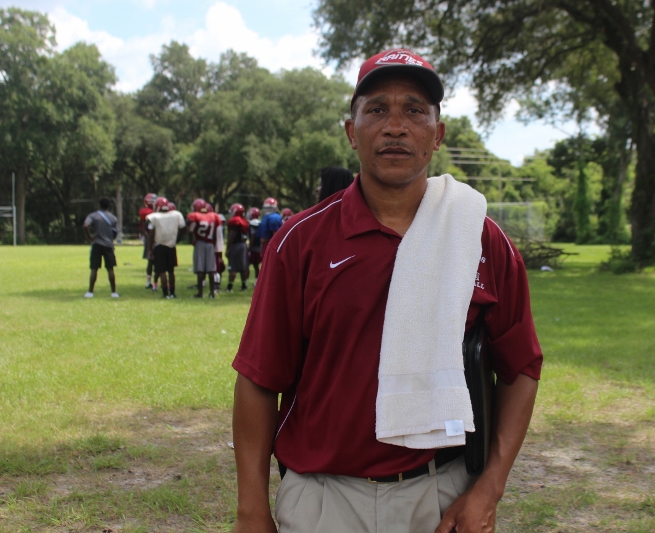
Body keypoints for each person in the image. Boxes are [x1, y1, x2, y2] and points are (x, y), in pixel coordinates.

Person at [231, 48, 542, 533]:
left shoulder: (478, 237)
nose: (395, 126)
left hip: (439, 494)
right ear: (352, 132)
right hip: (324, 499)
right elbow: (258, 378)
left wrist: (489, 487)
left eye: (414, 110)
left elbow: (521, 367)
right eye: (376, 109)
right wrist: (252, 510)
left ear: (437, 134)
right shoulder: (301, 241)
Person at [146, 196, 185, 299]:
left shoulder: (154, 217)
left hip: (159, 246)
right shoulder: (176, 215)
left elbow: (151, 235)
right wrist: (177, 239)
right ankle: (172, 293)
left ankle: (165, 293)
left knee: (162, 271)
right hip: (171, 245)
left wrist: (150, 249)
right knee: (171, 271)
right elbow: (183, 228)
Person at [83, 197, 119, 299]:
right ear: (108, 206)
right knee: (110, 268)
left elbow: (85, 225)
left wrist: (90, 237)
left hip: (96, 244)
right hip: (108, 245)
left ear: (99, 205)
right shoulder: (113, 218)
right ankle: (113, 292)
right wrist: (110, 239)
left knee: (94, 268)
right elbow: (115, 232)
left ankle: (90, 292)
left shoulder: (93, 216)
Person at [187, 198, 221, 299]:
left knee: (200, 269)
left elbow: (190, 230)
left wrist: (191, 240)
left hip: (200, 242)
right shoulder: (214, 216)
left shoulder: (195, 216)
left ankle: (200, 293)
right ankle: (212, 293)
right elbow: (215, 232)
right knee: (211, 270)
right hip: (210, 243)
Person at [226, 203, 250, 292]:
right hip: (243, 245)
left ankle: (229, 287)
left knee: (233, 267)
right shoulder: (244, 220)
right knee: (243, 267)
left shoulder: (235, 221)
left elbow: (232, 236)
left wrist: (228, 248)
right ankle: (244, 286)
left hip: (235, 245)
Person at [139, 193, 157, 289]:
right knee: (152, 260)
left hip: (153, 237)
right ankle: (151, 282)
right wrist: (148, 237)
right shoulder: (148, 212)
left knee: (152, 261)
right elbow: (144, 226)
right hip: (152, 237)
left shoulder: (152, 211)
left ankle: (150, 282)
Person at [246, 207, 262, 282]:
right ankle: (256, 281)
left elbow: (253, 236)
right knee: (256, 266)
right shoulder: (259, 223)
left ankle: (246, 281)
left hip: (254, 248)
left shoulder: (253, 224)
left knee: (247, 265)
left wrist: (249, 247)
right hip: (259, 247)